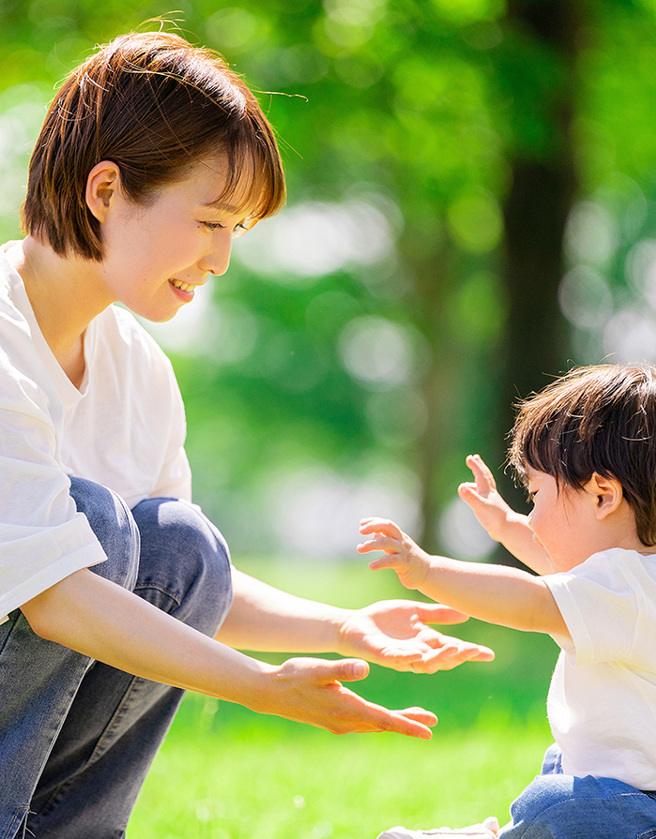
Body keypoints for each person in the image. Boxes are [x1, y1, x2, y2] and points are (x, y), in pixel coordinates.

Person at [0, 29, 496, 839]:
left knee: (182, 544)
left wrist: (340, 627)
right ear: (106, 190)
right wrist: (262, 687)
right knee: (93, 524)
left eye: (237, 228)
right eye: (209, 221)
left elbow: (181, 591)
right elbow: (57, 596)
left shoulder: (138, 371)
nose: (221, 258)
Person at [359, 363, 656, 839]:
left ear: (603, 495)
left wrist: (426, 571)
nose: (531, 518)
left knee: (560, 807)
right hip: (628, 788)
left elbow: (531, 600)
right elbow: (552, 558)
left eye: (535, 496)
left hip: (642, 810)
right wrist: (504, 524)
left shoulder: (627, 589)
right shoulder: (630, 578)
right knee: (562, 767)